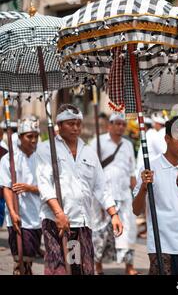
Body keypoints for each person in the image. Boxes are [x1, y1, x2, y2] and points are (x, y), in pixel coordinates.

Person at [36, 104, 123, 275]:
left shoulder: (88, 152)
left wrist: (114, 214)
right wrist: (59, 214)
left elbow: (101, 186)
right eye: (70, 124)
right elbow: (44, 185)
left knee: (83, 270)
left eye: (78, 123)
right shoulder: (46, 149)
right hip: (57, 224)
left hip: (83, 223)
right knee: (58, 271)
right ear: (59, 125)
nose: (75, 128)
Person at [133, 116, 178, 275]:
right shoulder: (150, 168)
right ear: (167, 138)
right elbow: (136, 210)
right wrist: (144, 188)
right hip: (161, 245)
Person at [91, 112, 138, 275]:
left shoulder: (128, 145)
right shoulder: (97, 142)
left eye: (123, 124)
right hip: (103, 197)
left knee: (128, 231)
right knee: (100, 232)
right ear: (109, 125)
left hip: (124, 195)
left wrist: (137, 194)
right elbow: (91, 170)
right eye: (117, 124)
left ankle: (129, 266)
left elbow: (132, 172)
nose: (120, 127)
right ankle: (97, 266)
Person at [0, 116, 42, 275]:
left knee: (29, 257)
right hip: (17, 217)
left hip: (37, 216)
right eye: (29, 136)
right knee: (20, 259)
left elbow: (49, 188)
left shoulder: (42, 159)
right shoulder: (9, 159)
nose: (33, 140)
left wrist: (29, 188)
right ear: (20, 137)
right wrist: (12, 211)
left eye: (36, 136)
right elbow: (7, 187)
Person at [135, 111, 167, 177]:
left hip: (148, 173)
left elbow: (164, 153)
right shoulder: (151, 134)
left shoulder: (152, 134)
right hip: (146, 172)